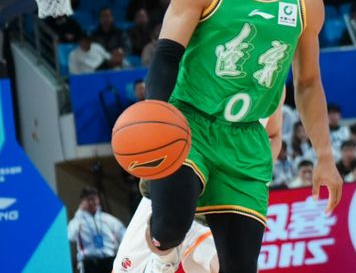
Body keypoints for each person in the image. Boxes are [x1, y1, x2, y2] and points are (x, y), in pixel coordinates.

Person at [138, 0, 343, 273]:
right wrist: (157, 116)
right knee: (170, 227)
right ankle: (164, 245)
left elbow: (308, 83)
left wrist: (325, 156)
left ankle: (192, 238)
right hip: (190, 123)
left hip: (246, 139)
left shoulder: (306, 0)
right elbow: (166, 55)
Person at [114, 100, 286, 273]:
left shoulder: (273, 86)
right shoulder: (192, 84)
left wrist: (249, 175)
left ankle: (163, 260)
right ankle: (164, 256)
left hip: (226, 189)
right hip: (182, 175)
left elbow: (273, 136)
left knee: (228, 263)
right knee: (128, 267)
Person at [68, 186, 125, 273]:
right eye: (88, 200)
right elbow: (70, 236)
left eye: (93, 199)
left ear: (98, 199)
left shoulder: (108, 219)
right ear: (82, 202)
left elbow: (124, 234)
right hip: (90, 264)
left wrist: (122, 254)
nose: (91, 202)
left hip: (109, 261)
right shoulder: (78, 221)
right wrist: (79, 212)